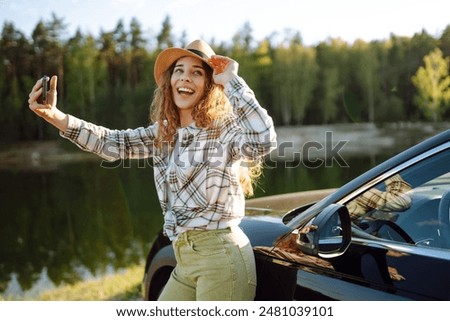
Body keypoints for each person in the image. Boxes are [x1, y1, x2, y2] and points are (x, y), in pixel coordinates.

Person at [28, 39, 277, 301]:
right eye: (179, 70)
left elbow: (263, 141)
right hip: (185, 259)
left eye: (197, 72)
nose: (186, 78)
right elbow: (111, 143)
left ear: (209, 85)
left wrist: (232, 81)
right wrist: (53, 115)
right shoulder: (164, 133)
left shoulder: (222, 129)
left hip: (221, 259)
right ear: (170, 80)